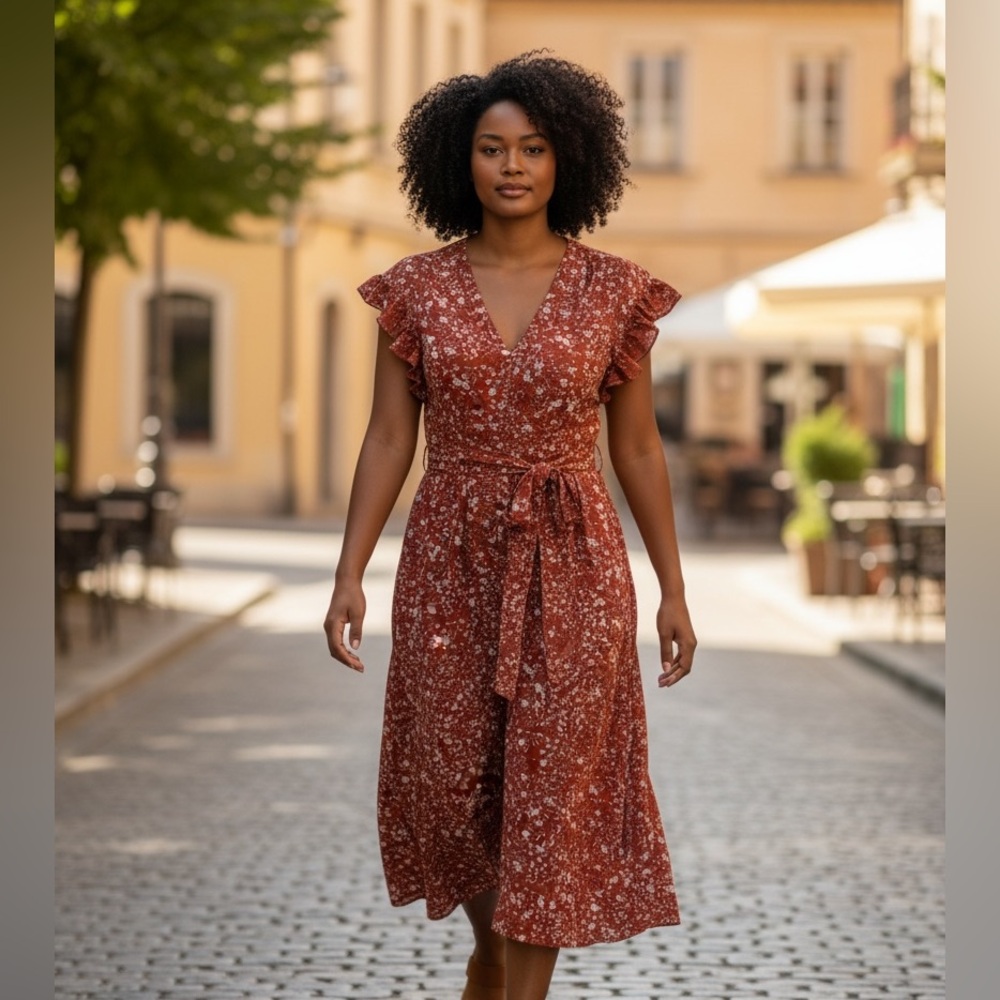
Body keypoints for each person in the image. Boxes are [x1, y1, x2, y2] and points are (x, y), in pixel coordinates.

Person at [324, 50, 697, 1000]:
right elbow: (387, 438)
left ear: (568, 157)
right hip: (448, 560)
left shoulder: (616, 292)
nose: (513, 166)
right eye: (492, 149)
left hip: (575, 563)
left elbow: (638, 449)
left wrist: (673, 589)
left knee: (552, 799)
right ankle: (489, 955)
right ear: (463, 161)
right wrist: (348, 573)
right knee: (455, 790)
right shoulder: (413, 291)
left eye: (533, 147)